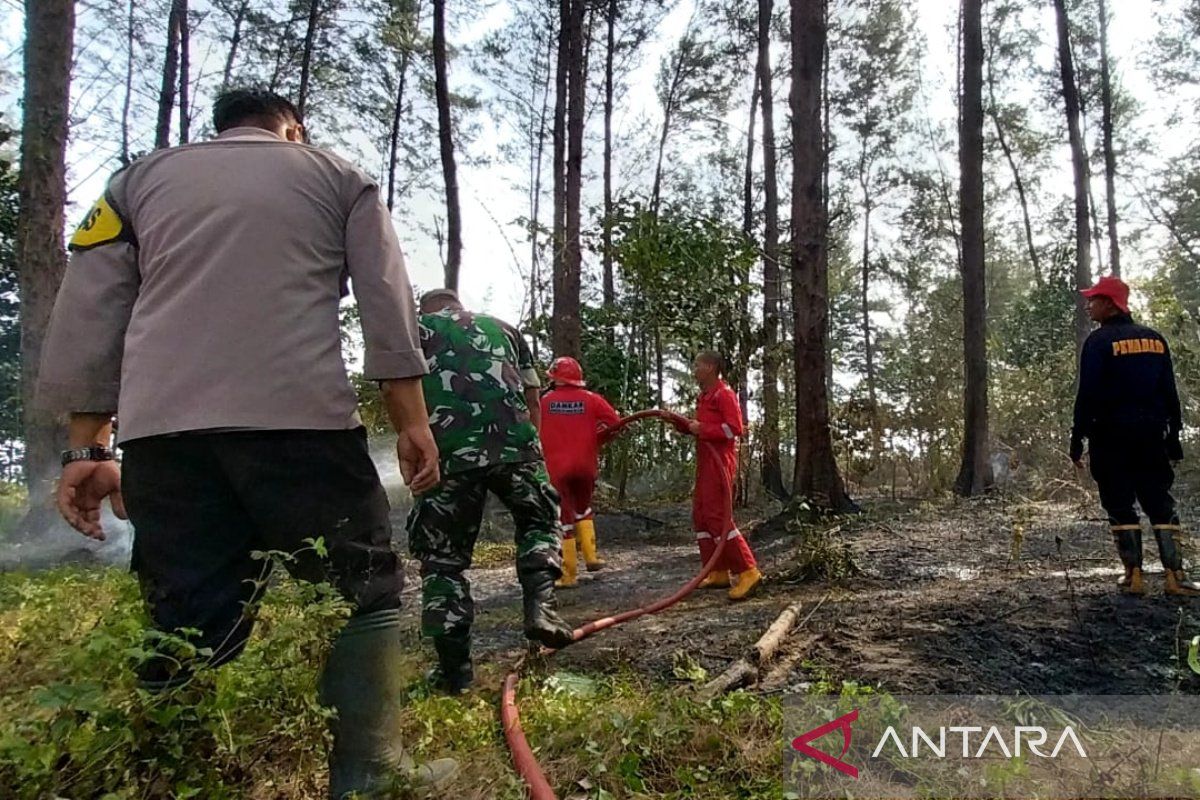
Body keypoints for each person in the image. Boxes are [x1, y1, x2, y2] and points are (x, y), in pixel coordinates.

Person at [36, 89, 457, 798]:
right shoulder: (339, 176)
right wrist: (412, 421)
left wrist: (88, 448)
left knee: (185, 607)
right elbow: (388, 301)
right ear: (291, 127)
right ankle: (370, 774)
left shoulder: (135, 183)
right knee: (364, 591)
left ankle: (171, 776)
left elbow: (92, 307)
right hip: (299, 424)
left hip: (165, 438)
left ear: (222, 129)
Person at [410, 289, 574, 695]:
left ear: (426, 309)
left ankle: (455, 675)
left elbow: (397, 394)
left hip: (445, 457)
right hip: (515, 446)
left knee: (442, 561)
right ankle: (542, 611)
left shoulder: (414, 330)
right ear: (459, 306)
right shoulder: (502, 328)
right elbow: (533, 397)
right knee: (538, 520)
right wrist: (530, 450)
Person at [1071, 274, 1199, 597]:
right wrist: (1174, 437)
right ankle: (1175, 576)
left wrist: (1078, 438)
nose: (1089, 306)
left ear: (1110, 305)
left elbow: (1087, 395)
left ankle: (1134, 576)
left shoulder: (1098, 343)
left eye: (1094, 300)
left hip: (1110, 437)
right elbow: (1170, 394)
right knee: (1159, 500)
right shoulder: (1155, 340)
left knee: (1119, 502)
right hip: (1152, 436)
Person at [673, 352, 762, 601]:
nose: (694, 369)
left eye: (698, 364)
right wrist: (685, 426)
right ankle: (717, 570)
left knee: (716, 516)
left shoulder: (724, 394)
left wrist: (704, 429)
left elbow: (734, 428)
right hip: (705, 462)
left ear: (711, 367)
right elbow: (702, 429)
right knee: (701, 516)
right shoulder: (704, 396)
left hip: (720, 464)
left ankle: (748, 570)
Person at [539, 357, 622, 586]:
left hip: (556, 469)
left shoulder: (544, 402)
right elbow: (616, 424)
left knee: (563, 518)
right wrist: (596, 440)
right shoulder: (591, 400)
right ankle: (592, 557)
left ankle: (568, 574)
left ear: (555, 378)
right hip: (586, 466)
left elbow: (530, 428)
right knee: (583, 509)